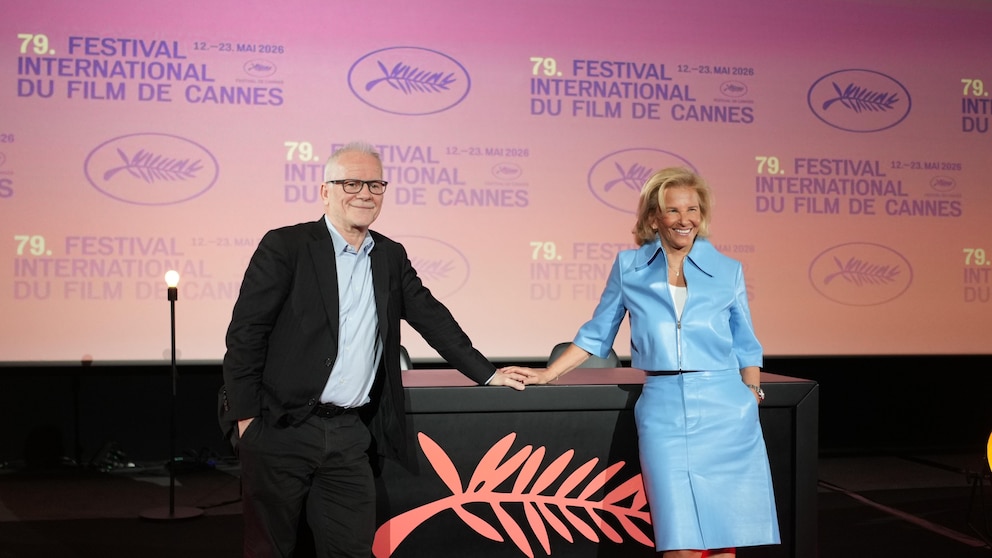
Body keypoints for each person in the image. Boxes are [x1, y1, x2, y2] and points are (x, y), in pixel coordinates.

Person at [220, 141, 531, 557]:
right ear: (325, 191)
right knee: (269, 550)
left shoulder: (389, 255)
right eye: (351, 183)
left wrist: (488, 374)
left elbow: (432, 318)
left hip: (348, 433)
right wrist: (247, 422)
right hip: (280, 426)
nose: (364, 193)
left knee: (352, 549)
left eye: (375, 184)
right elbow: (246, 335)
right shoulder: (286, 246)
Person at [504, 167, 780, 558]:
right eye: (673, 210)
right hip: (663, 410)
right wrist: (549, 373)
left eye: (692, 209)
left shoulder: (728, 271)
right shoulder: (629, 268)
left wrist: (750, 394)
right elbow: (597, 332)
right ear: (653, 218)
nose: (685, 219)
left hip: (725, 411)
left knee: (723, 543)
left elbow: (746, 343)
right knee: (678, 544)